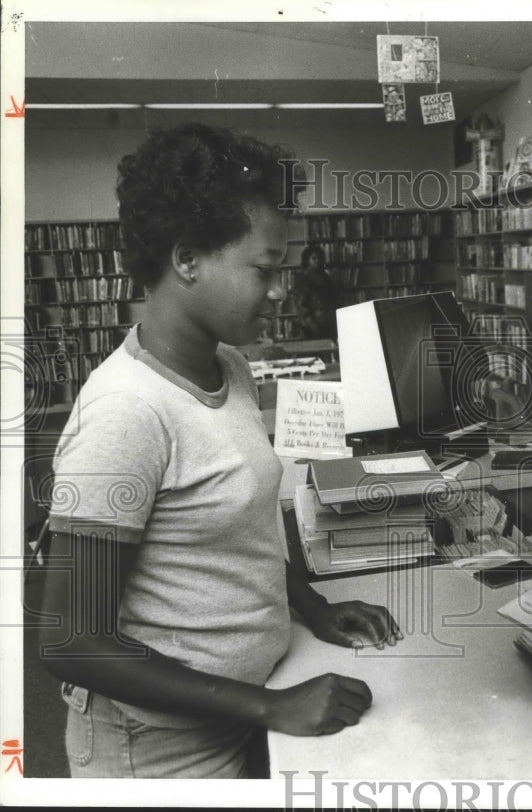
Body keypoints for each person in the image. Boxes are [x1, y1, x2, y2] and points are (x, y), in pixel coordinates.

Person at [41, 122, 402, 779]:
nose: (281, 289)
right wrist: (269, 706)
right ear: (187, 258)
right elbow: (72, 642)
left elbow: (244, 524)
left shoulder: (230, 365)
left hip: (237, 715)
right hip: (155, 752)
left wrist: (313, 607)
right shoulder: (126, 413)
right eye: (265, 269)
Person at [291, 243, 340, 340]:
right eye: (314, 258)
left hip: (330, 323)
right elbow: (302, 307)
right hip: (313, 327)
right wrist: (313, 326)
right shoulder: (302, 279)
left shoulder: (326, 277)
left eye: (320, 258)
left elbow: (334, 299)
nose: (318, 261)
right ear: (307, 260)